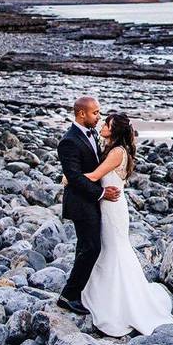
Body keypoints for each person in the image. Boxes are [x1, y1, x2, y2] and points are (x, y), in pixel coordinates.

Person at [80, 112, 173, 336]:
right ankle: (104, 294)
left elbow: (93, 176)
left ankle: (119, 303)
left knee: (115, 250)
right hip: (109, 204)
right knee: (109, 250)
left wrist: (68, 177)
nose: (102, 124)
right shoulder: (113, 149)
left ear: (115, 131)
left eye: (107, 124)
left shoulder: (117, 152)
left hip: (112, 208)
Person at [57, 96, 121, 315]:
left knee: (86, 247)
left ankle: (80, 292)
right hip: (80, 203)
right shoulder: (69, 141)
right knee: (91, 248)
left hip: (91, 201)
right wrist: (102, 192)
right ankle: (68, 295)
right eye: (95, 113)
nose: (98, 117)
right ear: (81, 114)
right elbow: (74, 177)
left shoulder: (93, 133)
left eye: (99, 113)